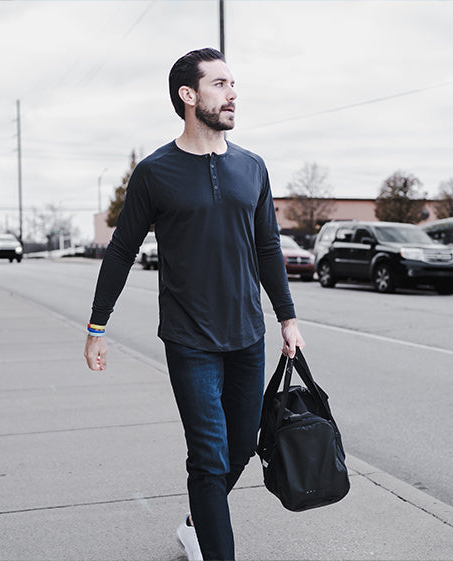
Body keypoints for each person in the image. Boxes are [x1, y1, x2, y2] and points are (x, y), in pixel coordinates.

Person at [84, 47, 305, 561]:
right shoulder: (155, 172)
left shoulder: (252, 167)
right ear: (189, 96)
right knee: (207, 460)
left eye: (234, 85)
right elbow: (121, 250)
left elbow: (268, 246)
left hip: (248, 333)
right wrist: (98, 326)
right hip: (189, 339)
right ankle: (211, 545)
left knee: (242, 448)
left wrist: (286, 317)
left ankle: (195, 522)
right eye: (221, 84)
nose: (233, 94)